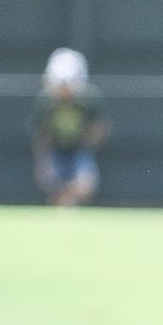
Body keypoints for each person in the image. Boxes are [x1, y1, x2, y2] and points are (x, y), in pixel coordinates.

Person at [32, 47, 109, 207]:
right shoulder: (45, 101)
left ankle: (68, 204)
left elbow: (100, 127)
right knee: (52, 184)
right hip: (55, 149)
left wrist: (87, 146)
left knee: (85, 186)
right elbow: (41, 133)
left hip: (79, 149)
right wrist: (43, 162)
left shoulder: (88, 99)